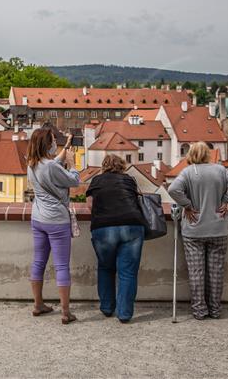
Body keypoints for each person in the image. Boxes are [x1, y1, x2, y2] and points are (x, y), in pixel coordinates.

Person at [168, 141, 228, 320]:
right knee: (216, 272)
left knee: (196, 272)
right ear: (208, 154)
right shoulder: (220, 170)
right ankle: (215, 309)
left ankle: (199, 311)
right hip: (218, 229)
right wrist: (225, 200)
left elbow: (173, 189)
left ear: (190, 155)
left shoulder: (188, 172)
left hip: (194, 230)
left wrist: (187, 205)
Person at [27, 126, 80, 324]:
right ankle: (66, 312)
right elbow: (73, 181)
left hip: (38, 218)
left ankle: (38, 304)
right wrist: (73, 164)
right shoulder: (49, 166)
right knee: (61, 266)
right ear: (46, 144)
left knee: (38, 262)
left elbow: (52, 166)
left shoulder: (32, 163)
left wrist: (65, 147)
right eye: (53, 140)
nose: (55, 144)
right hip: (56, 220)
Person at [85, 154, 146, 323]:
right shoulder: (129, 180)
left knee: (105, 268)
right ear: (122, 166)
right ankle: (125, 314)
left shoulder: (96, 181)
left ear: (104, 166)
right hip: (132, 226)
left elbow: (90, 205)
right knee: (127, 272)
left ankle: (107, 307)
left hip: (104, 228)